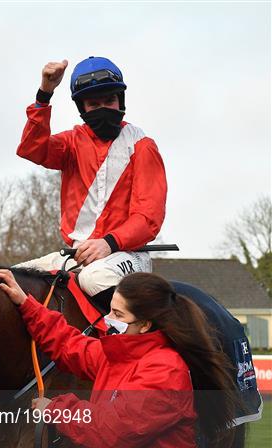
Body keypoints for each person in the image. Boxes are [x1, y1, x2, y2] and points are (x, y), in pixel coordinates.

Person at [0, 268, 240, 448]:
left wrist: (55, 409)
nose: (108, 320)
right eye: (110, 310)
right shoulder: (119, 354)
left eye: (118, 315)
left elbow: (112, 430)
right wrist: (27, 304)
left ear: (145, 324)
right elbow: (71, 345)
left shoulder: (166, 370)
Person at [15, 57, 167, 304]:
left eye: (109, 100)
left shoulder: (143, 146)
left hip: (128, 253)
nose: (103, 108)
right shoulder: (72, 143)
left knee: (94, 277)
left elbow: (148, 217)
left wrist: (109, 243)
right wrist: (45, 94)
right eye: (93, 104)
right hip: (78, 253)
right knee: (11, 278)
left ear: (120, 100)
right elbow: (32, 148)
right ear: (82, 108)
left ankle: (140, 338)